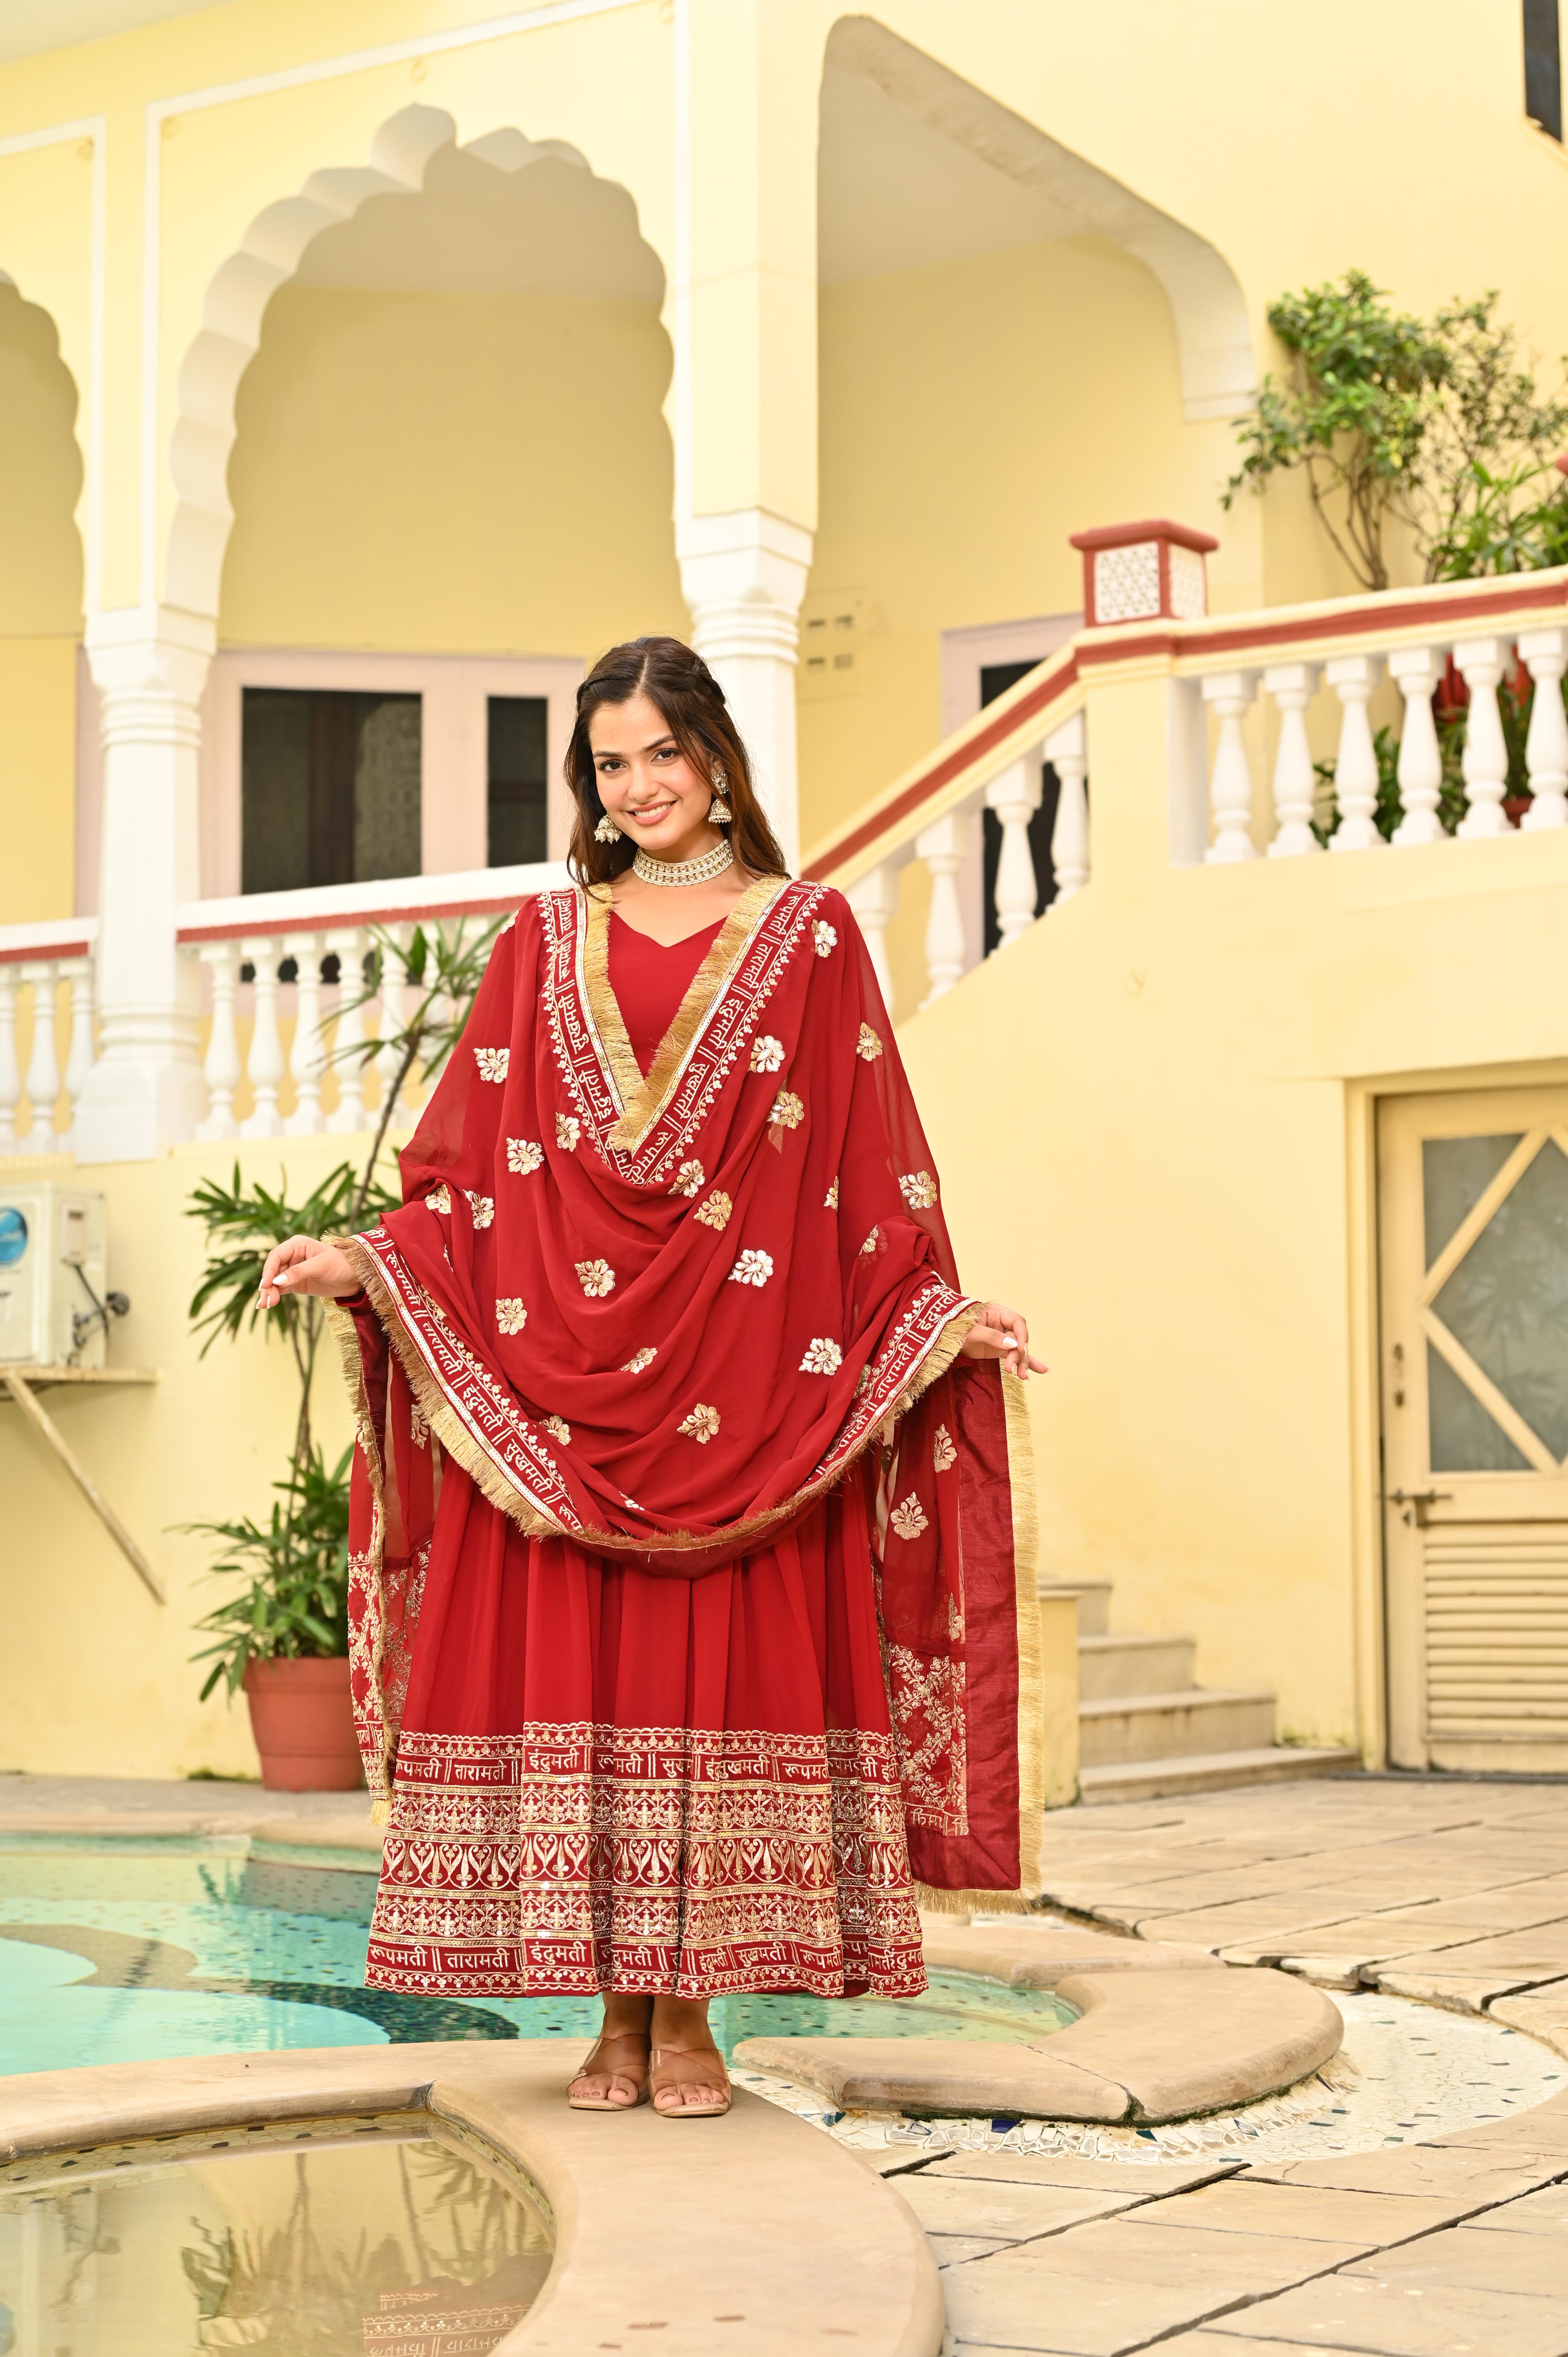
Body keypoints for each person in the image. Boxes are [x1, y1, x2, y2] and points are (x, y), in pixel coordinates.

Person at [258, 635, 1045, 2120]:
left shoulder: (809, 938)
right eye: (609, 765)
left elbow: (863, 1164)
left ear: (716, 756)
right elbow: (468, 1177)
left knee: (711, 1682)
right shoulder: (541, 946)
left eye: (661, 755)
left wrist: (936, 1319)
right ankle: (611, 2021)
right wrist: (369, 1261)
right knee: (605, 1683)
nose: (638, 789)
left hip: (754, 1393)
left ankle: (690, 2022)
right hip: (565, 1389)